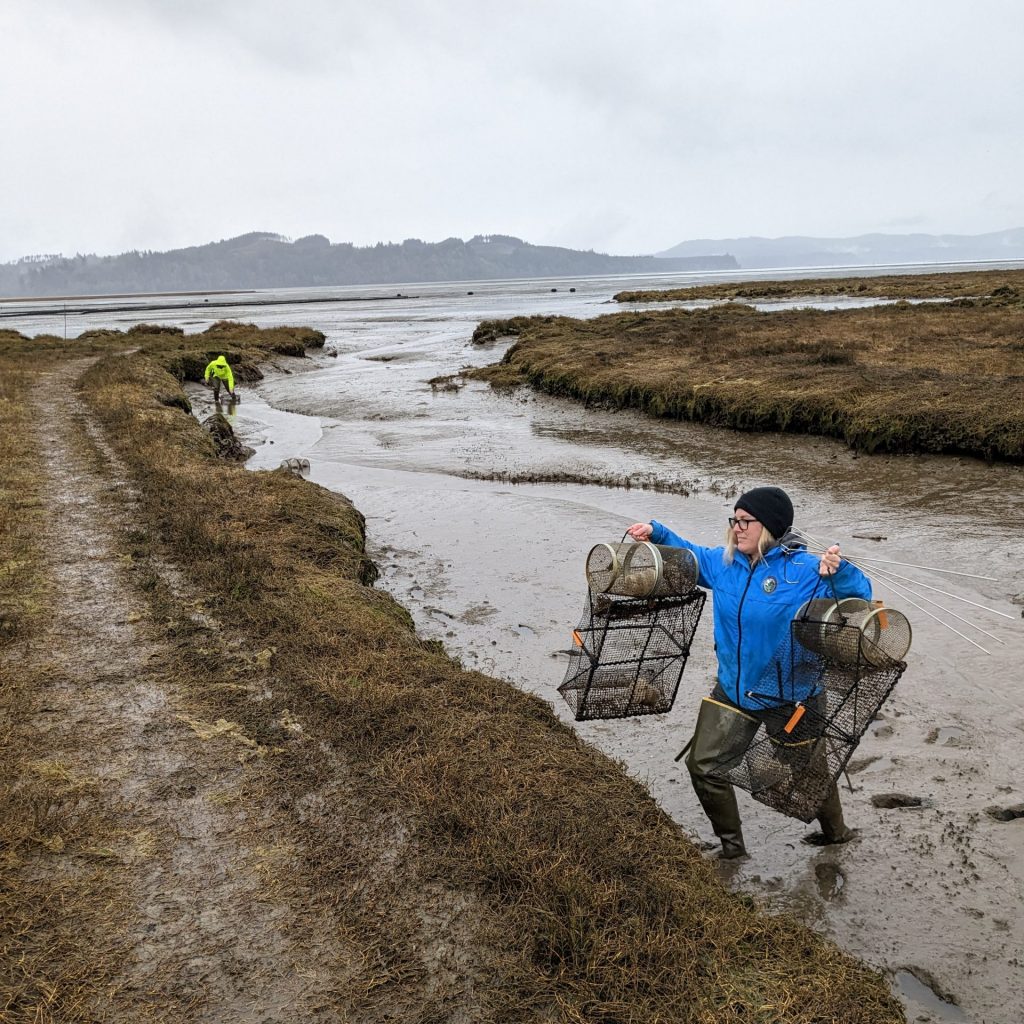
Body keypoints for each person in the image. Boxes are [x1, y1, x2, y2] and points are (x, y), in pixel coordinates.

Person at [627, 486, 871, 859]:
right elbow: (688, 553)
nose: (737, 528)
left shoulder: (804, 570)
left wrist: (841, 572)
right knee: (704, 766)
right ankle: (732, 848)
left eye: (746, 521)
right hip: (733, 690)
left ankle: (836, 836)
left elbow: (860, 596)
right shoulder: (724, 565)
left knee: (809, 776)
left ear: (770, 527)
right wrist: (657, 533)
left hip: (790, 698)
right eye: (734, 520)